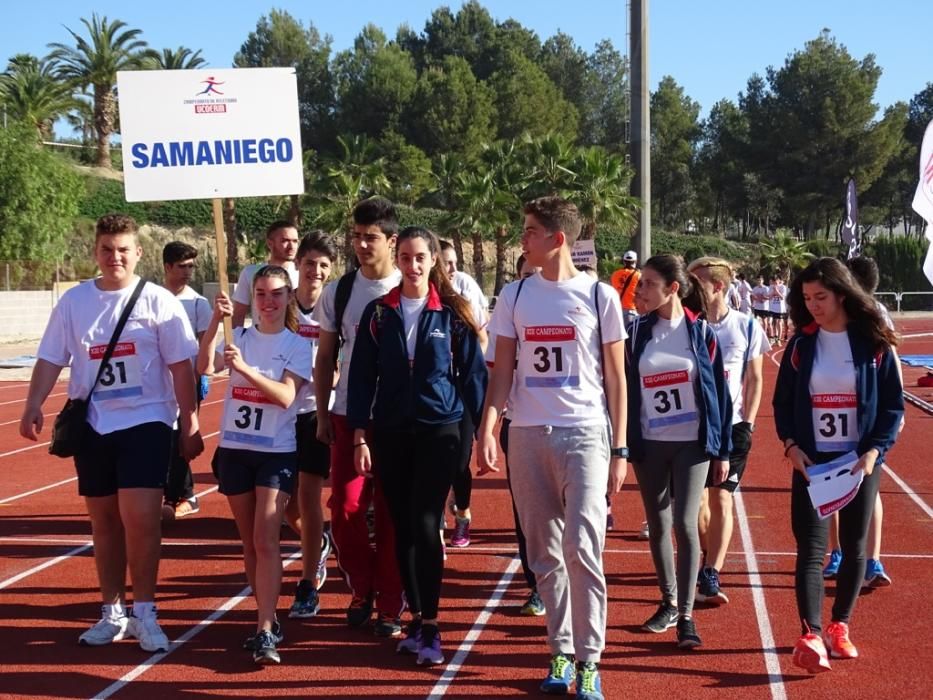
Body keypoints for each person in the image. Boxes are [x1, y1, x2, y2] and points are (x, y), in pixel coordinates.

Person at [20, 214, 204, 652]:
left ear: (138, 253)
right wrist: (32, 403)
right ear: (96, 252)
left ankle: (146, 613)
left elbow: (181, 366)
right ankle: (112, 612)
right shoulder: (74, 302)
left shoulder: (160, 301)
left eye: (123, 249)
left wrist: (190, 420)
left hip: (146, 421)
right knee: (103, 523)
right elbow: (50, 358)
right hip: (94, 425)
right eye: (106, 249)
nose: (114, 257)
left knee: (140, 520)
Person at [479, 197, 628, 700]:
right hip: (526, 434)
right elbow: (502, 371)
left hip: (585, 433)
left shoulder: (599, 296)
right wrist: (488, 426)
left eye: (530, 230)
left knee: (583, 549)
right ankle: (559, 653)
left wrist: (622, 447)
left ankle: (590, 660)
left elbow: (616, 378)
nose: (522, 238)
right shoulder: (514, 296)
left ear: (557, 239)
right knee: (544, 553)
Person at [348, 226, 487, 666]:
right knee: (403, 526)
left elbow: (473, 378)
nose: (412, 265)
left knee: (426, 522)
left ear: (433, 261)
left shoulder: (451, 312)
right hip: (390, 432)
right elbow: (360, 378)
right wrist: (358, 435)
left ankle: (430, 623)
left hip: (440, 429)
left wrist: (484, 432)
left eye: (420, 257)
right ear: (397, 258)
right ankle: (415, 623)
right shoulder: (378, 314)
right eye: (405, 257)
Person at [773, 257, 903, 673]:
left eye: (821, 297)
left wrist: (873, 453)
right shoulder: (800, 346)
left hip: (858, 463)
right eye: (807, 297)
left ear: (842, 294)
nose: (812, 304)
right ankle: (810, 633)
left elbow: (891, 407)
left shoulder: (874, 346)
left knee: (854, 548)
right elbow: (783, 404)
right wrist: (791, 445)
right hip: (813, 463)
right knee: (811, 551)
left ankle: (839, 626)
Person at [197, 266, 311, 665]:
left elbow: (285, 397)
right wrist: (215, 320)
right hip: (235, 449)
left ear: (288, 297)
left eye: (277, 293)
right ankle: (266, 617)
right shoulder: (238, 336)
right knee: (249, 542)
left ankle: (265, 626)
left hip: (276, 451)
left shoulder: (297, 345)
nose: (268, 301)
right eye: (261, 293)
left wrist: (245, 369)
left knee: (266, 538)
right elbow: (205, 367)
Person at [627, 255, 732, 650]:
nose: (641, 291)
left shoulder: (702, 333)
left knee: (685, 525)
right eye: (640, 284)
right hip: (649, 444)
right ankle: (668, 602)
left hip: (692, 443)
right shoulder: (637, 333)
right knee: (657, 524)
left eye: (649, 284)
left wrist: (721, 450)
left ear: (673, 288)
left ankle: (687, 615)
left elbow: (720, 397)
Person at [313, 197, 405, 637]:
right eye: (356, 236)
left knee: (391, 513)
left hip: (398, 420)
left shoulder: (411, 284)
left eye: (370, 237)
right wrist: (321, 412)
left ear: (391, 240)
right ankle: (362, 587)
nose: (361, 244)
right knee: (345, 510)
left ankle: (390, 602)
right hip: (348, 412)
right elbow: (326, 355)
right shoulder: (340, 290)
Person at [688, 257, 770, 605]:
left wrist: (748, 422)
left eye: (698, 284)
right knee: (695, 505)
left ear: (717, 286)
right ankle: (707, 553)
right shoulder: (688, 325)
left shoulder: (747, 326)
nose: (691, 290)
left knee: (722, 497)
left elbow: (755, 378)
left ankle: (712, 571)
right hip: (692, 427)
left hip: (732, 427)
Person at [821, 256, 901, 588]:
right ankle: (838, 553)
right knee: (832, 485)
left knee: (867, 487)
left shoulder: (875, 315)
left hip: (866, 419)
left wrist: (894, 414)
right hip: (830, 418)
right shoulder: (830, 317)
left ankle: (872, 560)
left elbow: (890, 358)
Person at [488, 254, 545, 616]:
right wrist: (489, 428)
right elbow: (497, 369)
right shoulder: (511, 307)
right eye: (525, 275)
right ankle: (537, 585)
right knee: (527, 515)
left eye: (537, 274)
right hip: (519, 423)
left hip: (570, 427)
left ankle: (569, 582)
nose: (532, 282)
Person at [283, 232, 337, 619]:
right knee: (285, 506)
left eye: (323, 265)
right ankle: (318, 541)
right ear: (298, 264)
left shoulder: (333, 309)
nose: (315, 270)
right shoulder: (281, 305)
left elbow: (339, 364)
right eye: (309, 262)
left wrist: (317, 377)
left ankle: (306, 578)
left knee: (308, 493)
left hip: (316, 410)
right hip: (279, 411)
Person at [438, 239, 489, 549]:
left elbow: (482, 338)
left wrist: (468, 364)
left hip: (461, 388)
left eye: (455, 261)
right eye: (447, 262)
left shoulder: (462, 298)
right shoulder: (420, 299)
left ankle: (463, 515)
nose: (454, 267)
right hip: (433, 389)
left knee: (460, 461)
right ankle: (436, 514)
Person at [161, 241, 212, 520]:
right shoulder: (152, 297)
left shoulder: (197, 304)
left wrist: (199, 376)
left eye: (191, 266)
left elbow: (205, 343)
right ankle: (168, 491)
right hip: (157, 385)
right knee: (160, 439)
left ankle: (183, 495)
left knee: (183, 439)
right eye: (182, 266)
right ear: (167, 266)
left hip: (187, 381)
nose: (188, 272)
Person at [231, 220, 300, 328]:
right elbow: (238, 316)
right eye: (285, 241)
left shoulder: (302, 275)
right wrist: (236, 341)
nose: (292, 246)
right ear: (269, 243)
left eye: (295, 241)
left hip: (294, 341)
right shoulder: (250, 273)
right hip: (259, 341)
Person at [610, 250, 641, 325]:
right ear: (635, 261)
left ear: (624, 261)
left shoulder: (615, 274)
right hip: (631, 310)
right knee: (630, 335)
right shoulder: (639, 276)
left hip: (617, 310)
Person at [768, 274, 789, 344]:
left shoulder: (783, 287)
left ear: (779, 280)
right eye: (773, 282)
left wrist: (776, 291)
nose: (775, 283)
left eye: (776, 281)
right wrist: (773, 292)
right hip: (772, 308)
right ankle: (774, 336)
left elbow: (782, 297)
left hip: (780, 308)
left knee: (779, 323)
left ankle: (779, 339)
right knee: (771, 323)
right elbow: (769, 297)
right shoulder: (771, 287)